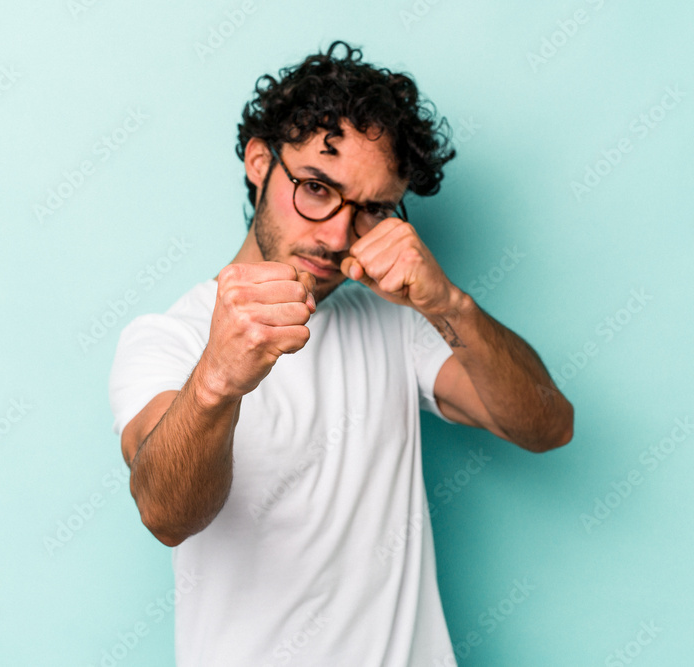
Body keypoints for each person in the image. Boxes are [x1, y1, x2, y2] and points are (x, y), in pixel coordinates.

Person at [108, 39, 574, 667]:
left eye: (371, 209)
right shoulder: (169, 337)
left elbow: (548, 425)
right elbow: (166, 514)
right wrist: (217, 381)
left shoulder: (395, 321)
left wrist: (448, 304)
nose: (334, 236)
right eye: (317, 188)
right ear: (258, 162)